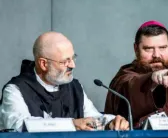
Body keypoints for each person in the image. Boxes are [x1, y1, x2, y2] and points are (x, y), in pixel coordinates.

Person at [0, 32, 129, 131]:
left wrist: (110, 122)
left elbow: (92, 118)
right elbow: (18, 125)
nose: (72, 65)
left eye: (73, 58)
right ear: (43, 64)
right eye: (65, 61)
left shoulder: (74, 87)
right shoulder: (16, 90)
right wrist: (72, 124)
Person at [104, 20, 168, 129]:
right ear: (136, 49)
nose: (156, 55)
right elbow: (130, 87)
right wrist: (151, 79)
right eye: (149, 49)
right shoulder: (124, 78)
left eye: (163, 48)